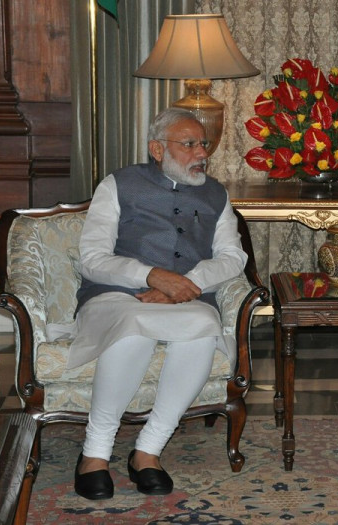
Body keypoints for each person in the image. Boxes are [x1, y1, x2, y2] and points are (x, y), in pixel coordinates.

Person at [69, 108, 247, 500]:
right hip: (116, 294)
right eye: (189, 144)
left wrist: (187, 283)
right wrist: (150, 276)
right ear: (156, 148)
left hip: (187, 296)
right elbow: (93, 258)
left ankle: (148, 450)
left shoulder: (216, 193)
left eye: (204, 144)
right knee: (133, 328)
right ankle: (94, 454)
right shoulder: (118, 184)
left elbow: (233, 258)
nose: (201, 152)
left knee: (202, 328)